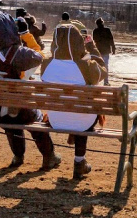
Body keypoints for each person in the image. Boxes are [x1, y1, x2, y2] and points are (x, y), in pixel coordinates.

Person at [0, 12, 60, 171]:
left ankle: (18, 156)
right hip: (15, 111)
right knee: (34, 116)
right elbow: (40, 56)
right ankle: (49, 157)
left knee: (11, 118)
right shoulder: (19, 54)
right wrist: (26, 35)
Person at [41, 23, 106, 179]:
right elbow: (103, 70)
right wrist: (91, 48)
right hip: (82, 120)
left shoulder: (46, 64)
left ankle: (67, 150)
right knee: (82, 113)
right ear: (78, 41)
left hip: (56, 118)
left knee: (75, 109)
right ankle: (79, 162)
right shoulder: (84, 65)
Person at [93, 18, 116, 84]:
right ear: (102, 23)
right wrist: (113, 48)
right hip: (105, 51)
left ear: (97, 24)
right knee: (105, 66)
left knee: (97, 66)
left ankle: (96, 81)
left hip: (98, 51)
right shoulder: (107, 30)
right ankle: (106, 82)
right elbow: (111, 40)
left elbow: (94, 41)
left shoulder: (95, 31)